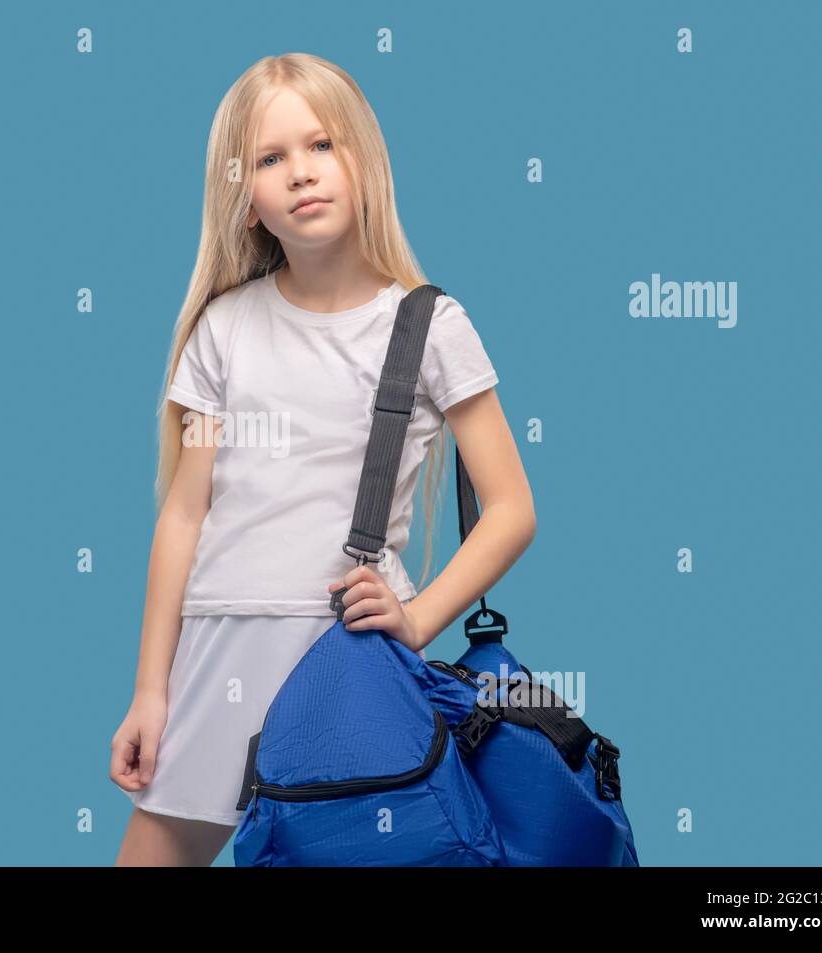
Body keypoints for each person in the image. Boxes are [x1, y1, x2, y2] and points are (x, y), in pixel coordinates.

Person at [110, 52, 536, 866]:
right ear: (245, 199)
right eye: (270, 159)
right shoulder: (223, 330)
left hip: (350, 665)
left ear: (364, 162)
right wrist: (152, 691)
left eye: (321, 146)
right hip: (218, 653)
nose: (300, 174)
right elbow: (184, 516)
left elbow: (513, 508)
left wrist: (419, 620)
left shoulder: (429, 326)